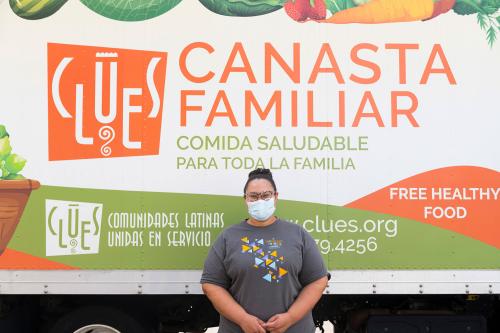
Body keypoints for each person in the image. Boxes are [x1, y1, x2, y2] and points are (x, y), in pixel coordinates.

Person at [200, 168, 329, 333]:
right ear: (245, 199)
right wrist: (243, 319)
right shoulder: (228, 237)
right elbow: (211, 284)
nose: (260, 200)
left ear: (276, 197)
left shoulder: (297, 234)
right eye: (253, 196)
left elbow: (318, 281)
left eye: (266, 195)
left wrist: (290, 318)